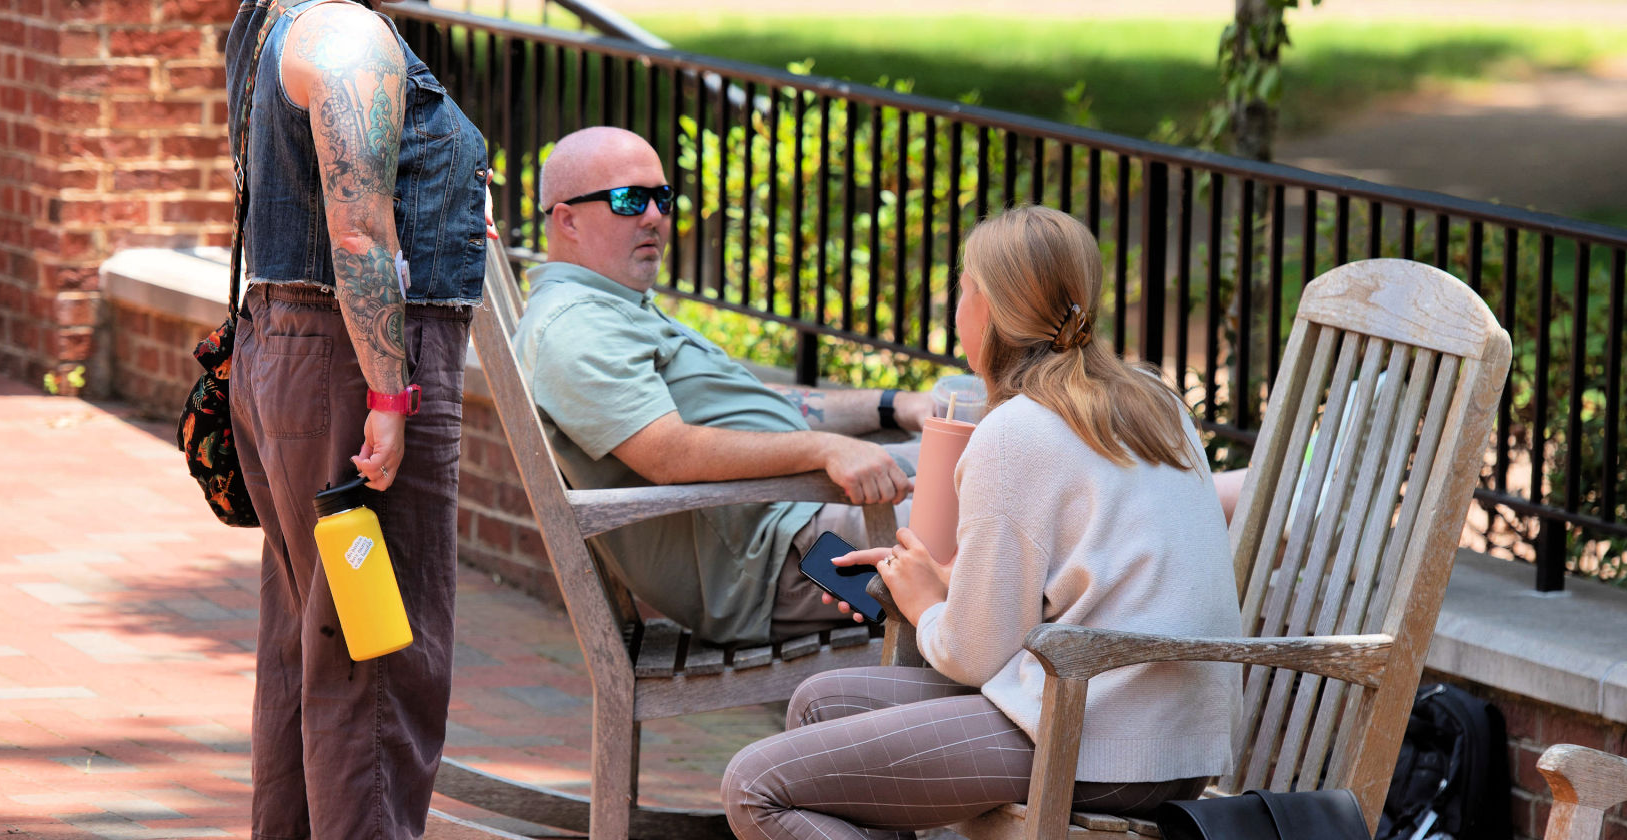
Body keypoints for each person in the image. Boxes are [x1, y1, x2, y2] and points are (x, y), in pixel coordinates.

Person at [720, 205, 1243, 840]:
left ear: (988, 309)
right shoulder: (1157, 402)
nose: (957, 306)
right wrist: (949, 587)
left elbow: (971, 655)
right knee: (820, 703)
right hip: (1175, 742)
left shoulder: (1016, 430)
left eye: (963, 287)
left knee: (755, 785)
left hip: (1097, 740)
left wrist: (924, 604)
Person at [224, 0, 486, 839]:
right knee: (381, 669)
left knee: (313, 652)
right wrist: (389, 394)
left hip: (289, 358)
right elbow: (362, 231)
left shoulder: (271, 10)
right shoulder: (346, 36)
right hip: (355, 368)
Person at [512, 125, 931, 646]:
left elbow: (761, 412)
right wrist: (825, 449)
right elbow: (667, 455)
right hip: (798, 558)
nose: (654, 217)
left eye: (661, 197)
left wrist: (893, 407)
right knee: (1008, 510)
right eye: (628, 200)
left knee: (983, 444)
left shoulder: (613, 307)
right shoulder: (576, 328)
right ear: (567, 219)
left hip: (799, 519)